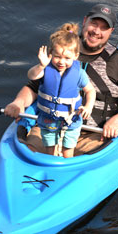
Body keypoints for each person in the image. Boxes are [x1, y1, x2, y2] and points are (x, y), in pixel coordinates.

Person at [5, 4, 118, 155]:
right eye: (94, 24)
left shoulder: (117, 62)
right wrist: (18, 103)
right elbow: (33, 87)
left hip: (93, 134)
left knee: (76, 159)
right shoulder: (61, 49)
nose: (97, 31)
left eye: (104, 28)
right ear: (85, 21)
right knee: (29, 151)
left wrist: (117, 121)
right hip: (50, 124)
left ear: (111, 32)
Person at [27, 23, 96, 158]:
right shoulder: (45, 69)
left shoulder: (79, 74)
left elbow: (90, 91)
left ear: (76, 56)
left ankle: (65, 168)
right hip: (48, 120)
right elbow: (31, 76)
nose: (61, 62)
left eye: (67, 58)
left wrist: (88, 106)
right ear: (51, 53)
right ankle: (51, 166)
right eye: (57, 56)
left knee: (67, 151)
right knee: (50, 150)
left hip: (71, 120)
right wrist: (41, 65)